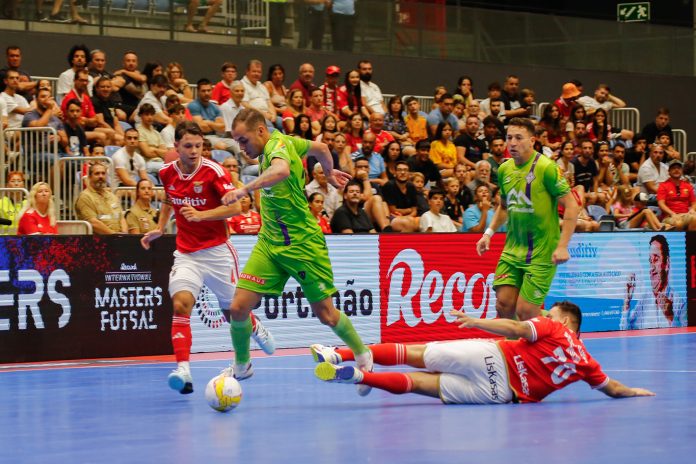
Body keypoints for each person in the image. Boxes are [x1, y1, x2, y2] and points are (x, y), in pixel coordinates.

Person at [222, 108, 374, 395]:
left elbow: (281, 170)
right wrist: (329, 171)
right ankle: (242, 366)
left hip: (303, 244)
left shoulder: (278, 147)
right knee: (238, 307)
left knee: (326, 315)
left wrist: (245, 190)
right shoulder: (287, 141)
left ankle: (363, 355)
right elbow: (322, 147)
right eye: (237, 143)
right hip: (270, 242)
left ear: (261, 132)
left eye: (244, 140)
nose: (242, 148)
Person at [141, 121, 274, 394]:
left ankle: (255, 327)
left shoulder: (215, 171)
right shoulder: (166, 172)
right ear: (176, 147)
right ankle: (183, 370)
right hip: (187, 254)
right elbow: (169, 198)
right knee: (180, 305)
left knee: (233, 314)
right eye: (187, 146)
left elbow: (237, 206)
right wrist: (160, 226)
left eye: (198, 146)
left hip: (217, 253)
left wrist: (202, 215)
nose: (193, 151)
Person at [312, 301, 655, 404]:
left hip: (494, 356)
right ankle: (360, 375)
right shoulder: (586, 363)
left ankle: (338, 354)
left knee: (414, 353)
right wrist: (637, 392)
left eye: (550, 312)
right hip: (498, 393)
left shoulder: (555, 327)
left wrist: (478, 321)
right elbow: (613, 388)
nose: (544, 315)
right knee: (420, 384)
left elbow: (520, 330)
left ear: (566, 320)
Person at [476, 118, 579, 321]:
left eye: (518, 138)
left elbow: (572, 206)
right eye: (509, 138)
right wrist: (488, 233)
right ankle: (516, 349)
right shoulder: (505, 169)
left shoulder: (547, 168)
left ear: (532, 141)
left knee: (525, 313)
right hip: (513, 249)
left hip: (541, 252)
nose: (512, 143)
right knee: (503, 305)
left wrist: (562, 246)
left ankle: (560, 327)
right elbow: (504, 207)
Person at [621, 235, 687, 329]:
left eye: (656, 259)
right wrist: (626, 302)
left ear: (667, 263)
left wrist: (670, 316)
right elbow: (626, 334)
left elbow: (686, 338)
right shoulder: (643, 302)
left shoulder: (680, 304)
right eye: (650, 261)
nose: (652, 268)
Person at [75, 162, 128, 234]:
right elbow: (93, 223)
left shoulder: (112, 196)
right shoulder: (85, 197)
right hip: (98, 241)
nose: (101, 176)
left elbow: (121, 218)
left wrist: (124, 235)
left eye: (103, 173)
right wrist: (114, 235)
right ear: (89, 177)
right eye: (97, 173)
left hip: (119, 238)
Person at [657, 159, 696, 230]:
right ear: (669, 171)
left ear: (682, 171)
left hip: (685, 214)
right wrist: (672, 213)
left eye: (678, 168)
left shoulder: (688, 185)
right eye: (673, 168)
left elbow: (694, 203)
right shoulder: (663, 185)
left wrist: (692, 209)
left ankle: (691, 240)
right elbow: (661, 204)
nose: (676, 170)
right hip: (669, 216)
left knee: (695, 218)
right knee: (678, 223)